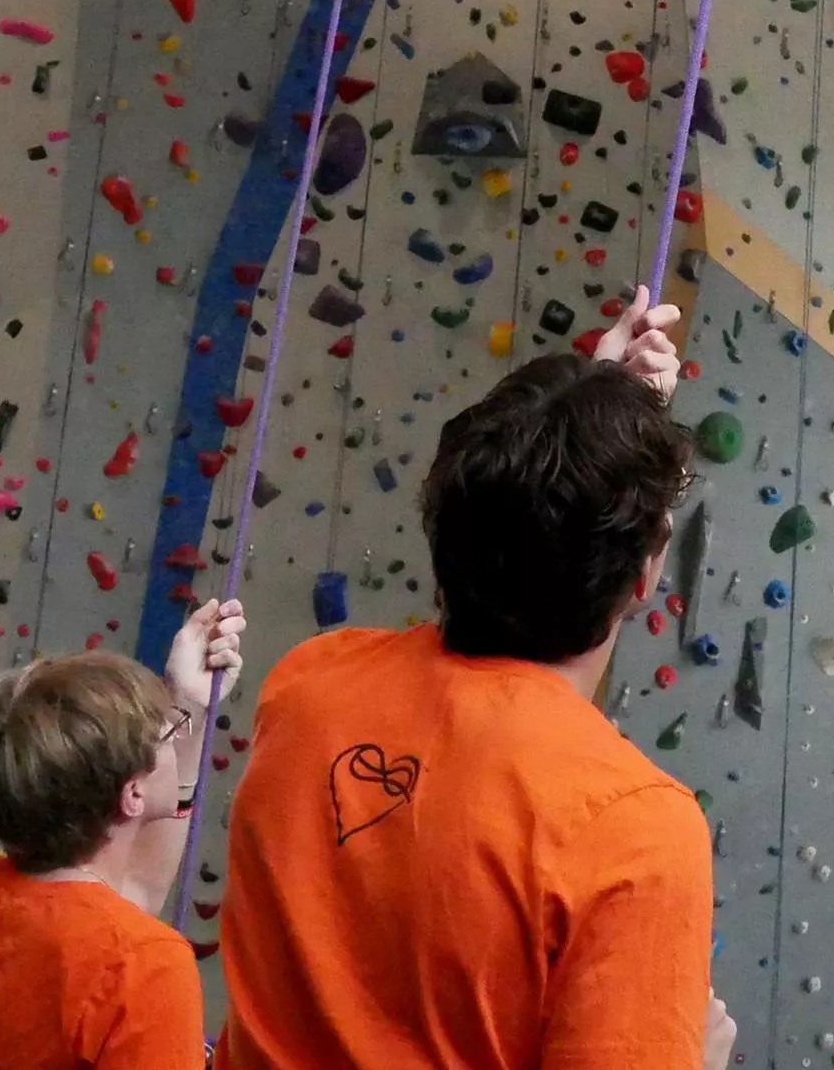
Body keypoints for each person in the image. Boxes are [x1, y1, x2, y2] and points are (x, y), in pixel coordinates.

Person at [213, 288, 737, 1070]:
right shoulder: (636, 832)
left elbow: (513, 509)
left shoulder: (308, 687)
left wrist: (591, 415)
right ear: (644, 577)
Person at [0, 595, 247, 1068]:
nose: (176, 733)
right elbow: (118, 938)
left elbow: (124, 899)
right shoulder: (147, 965)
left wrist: (186, 704)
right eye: (167, 735)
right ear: (132, 795)